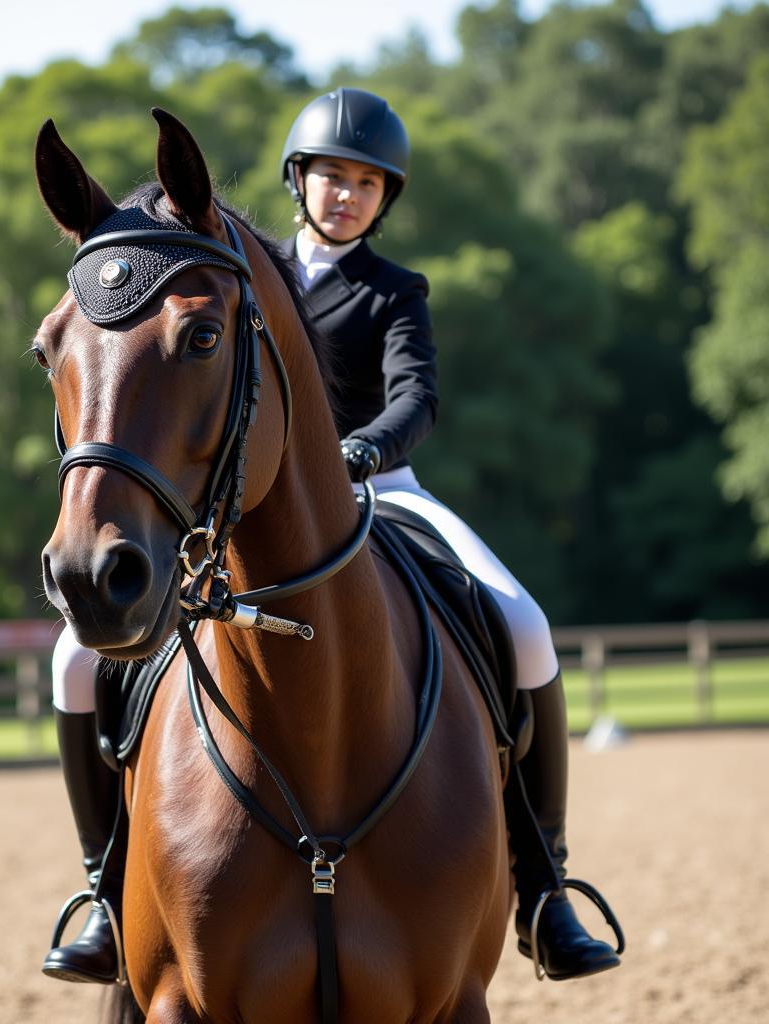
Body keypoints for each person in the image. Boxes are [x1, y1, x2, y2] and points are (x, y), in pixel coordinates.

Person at [41, 88, 621, 986]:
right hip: (245, 498)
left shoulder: (393, 290)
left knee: (524, 621)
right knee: (75, 664)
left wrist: (361, 449)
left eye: (366, 183)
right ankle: (105, 893)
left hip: (382, 489)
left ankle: (545, 885)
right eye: (330, 177)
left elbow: (416, 399)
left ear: (385, 198)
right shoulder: (236, 269)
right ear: (297, 181)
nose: (346, 196)